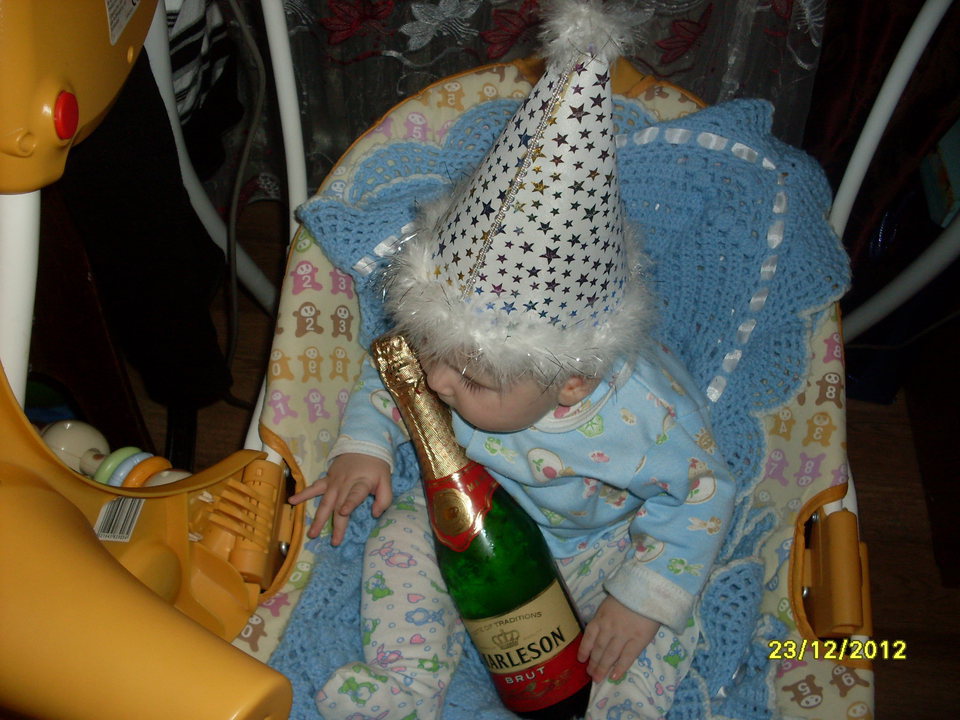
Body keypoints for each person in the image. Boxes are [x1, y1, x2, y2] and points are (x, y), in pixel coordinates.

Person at [289, 2, 735, 717]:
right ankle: (407, 686)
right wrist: (364, 445)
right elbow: (397, 376)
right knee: (401, 539)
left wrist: (641, 599)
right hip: (477, 510)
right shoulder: (448, 364)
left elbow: (703, 493)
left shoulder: (645, 415)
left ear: (572, 381)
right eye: (436, 351)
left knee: (652, 630)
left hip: (603, 544)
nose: (438, 381)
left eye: (471, 378)